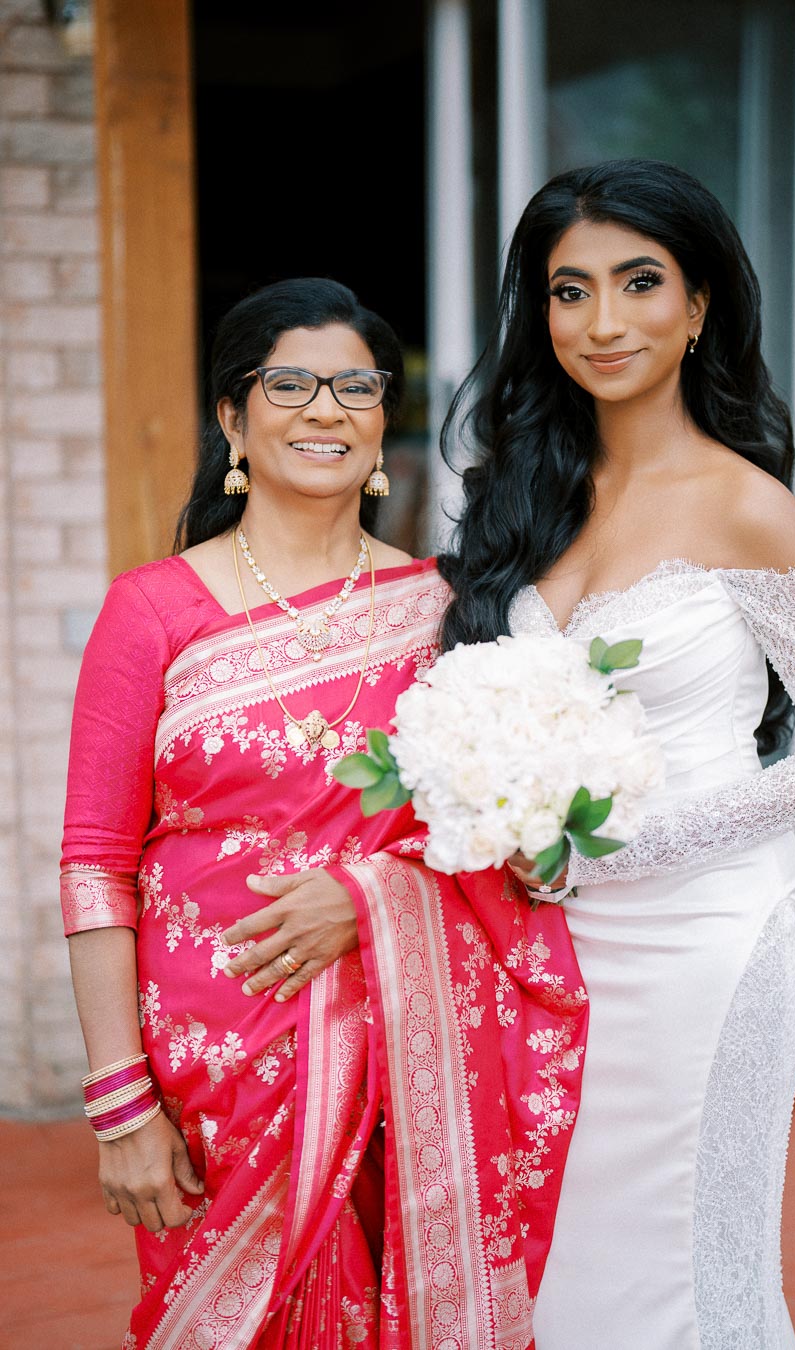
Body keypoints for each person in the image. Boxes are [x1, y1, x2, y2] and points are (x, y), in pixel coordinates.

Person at [60, 277, 587, 1348]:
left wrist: (372, 898)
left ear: (383, 418)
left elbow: (496, 841)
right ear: (232, 418)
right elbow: (94, 863)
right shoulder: (151, 608)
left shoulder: (448, 611)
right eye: (288, 383)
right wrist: (122, 1104)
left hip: (402, 1046)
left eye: (356, 386)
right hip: (211, 1067)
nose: (325, 409)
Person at [437, 160, 795, 1349]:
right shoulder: (527, 498)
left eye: (640, 283)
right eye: (569, 290)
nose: (603, 322)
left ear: (698, 308)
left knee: (692, 1261)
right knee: (570, 1255)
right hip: (558, 941)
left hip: (708, 932)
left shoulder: (749, 505)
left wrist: (632, 847)